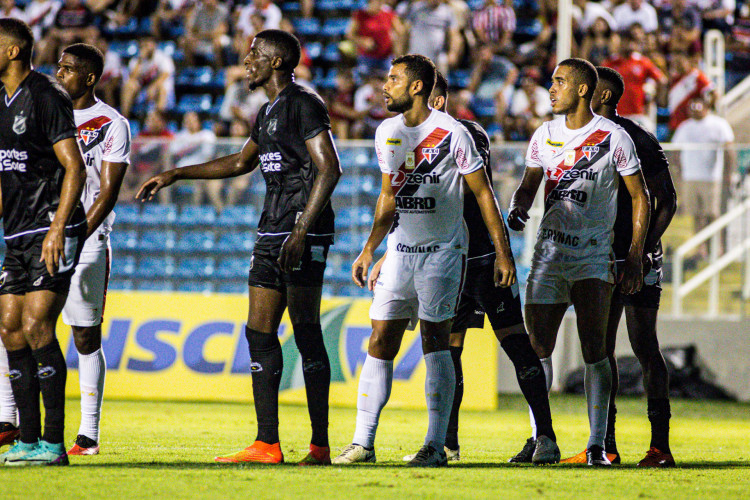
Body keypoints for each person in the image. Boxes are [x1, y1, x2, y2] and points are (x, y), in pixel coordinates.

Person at [137, 29, 341, 465]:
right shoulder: (265, 110)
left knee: (306, 333)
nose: (246, 61)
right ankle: (267, 443)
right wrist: (176, 173)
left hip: (303, 232)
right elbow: (239, 162)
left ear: (277, 61)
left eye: (255, 55)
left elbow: (330, 169)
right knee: (259, 332)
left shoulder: (304, 103)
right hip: (271, 230)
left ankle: (319, 446)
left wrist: (302, 229)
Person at [333, 54, 516, 467]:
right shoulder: (386, 132)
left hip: (443, 254)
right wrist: (370, 248)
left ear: (417, 87)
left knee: (436, 342)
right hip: (399, 252)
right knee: (380, 339)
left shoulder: (453, 133)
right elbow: (388, 196)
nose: (385, 85)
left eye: (393, 78)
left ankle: (435, 444)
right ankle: (363, 443)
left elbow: (484, 194)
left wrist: (503, 252)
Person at [369, 71, 559, 464]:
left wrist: (503, 252)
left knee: (515, 343)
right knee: (448, 350)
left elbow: (479, 192)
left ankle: (545, 437)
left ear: (435, 101)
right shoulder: (407, 136)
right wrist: (391, 251)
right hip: (446, 259)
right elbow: (411, 197)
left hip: (482, 259)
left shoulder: (465, 133)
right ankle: (447, 443)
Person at [507, 58, 650, 466]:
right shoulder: (544, 135)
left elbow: (640, 197)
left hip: (592, 257)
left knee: (594, 350)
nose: (551, 89)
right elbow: (528, 186)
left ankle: (597, 443)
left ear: (583, 90)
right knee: (537, 350)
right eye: (551, 81)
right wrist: (518, 208)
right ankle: (541, 438)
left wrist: (635, 256)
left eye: (560, 82)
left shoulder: (612, 137)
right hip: (549, 256)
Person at [575, 66, 677, 467]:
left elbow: (666, 201)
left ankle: (660, 446)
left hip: (635, 259)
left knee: (644, 345)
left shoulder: (637, 138)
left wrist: (641, 252)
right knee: (599, 349)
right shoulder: (580, 138)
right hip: (600, 257)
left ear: (602, 96)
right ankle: (605, 445)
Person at [0, 18, 87, 466]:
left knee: (37, 326)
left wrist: (58, 227)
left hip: (52, 228)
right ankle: (27, 439)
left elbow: (75, 166)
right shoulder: (1, 100)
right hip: (16, 232)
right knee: (10, 329)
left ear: (13, 51)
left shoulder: (46, 94)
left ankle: (54, 444)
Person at [56, 43, 130, 456]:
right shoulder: (45, 115)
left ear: (88, 78)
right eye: (58, 67)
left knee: (84, 335)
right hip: (38, 236)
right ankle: (9, 419)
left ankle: (88, 434)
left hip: (86, 239)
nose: (59, 74)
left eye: (68, 69)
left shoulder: (111, 123)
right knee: (12, 321)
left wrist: (77, 234)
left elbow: (107, 191)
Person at [671, 95, 735, 252]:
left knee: (712, 215)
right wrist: (678, 171)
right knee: (696, 215)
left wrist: (728, 173)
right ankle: (702, 249)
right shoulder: (685, 126)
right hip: (690, 177)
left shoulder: (718, 124)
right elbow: (675, 152)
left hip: (711, 177)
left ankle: (718, 248)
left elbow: (729, 150)